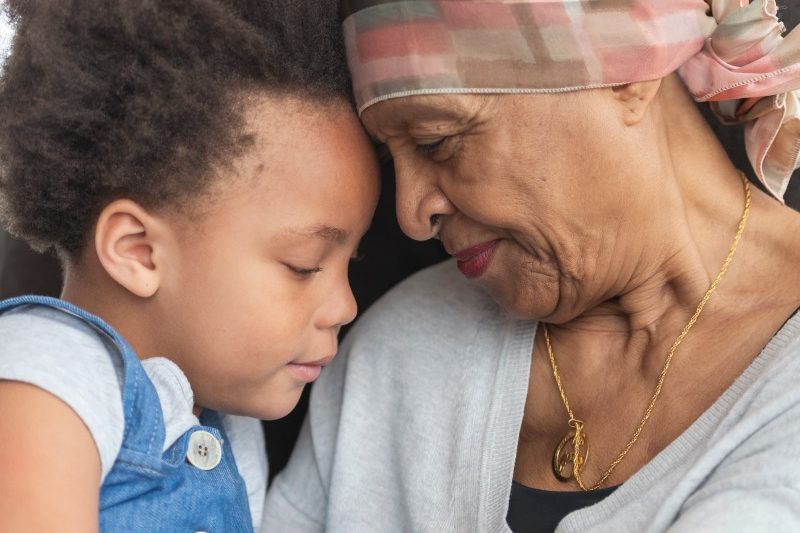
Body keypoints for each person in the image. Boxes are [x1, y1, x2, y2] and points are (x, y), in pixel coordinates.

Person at [264, 1, 800, 531]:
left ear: (626, 78)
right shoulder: (397, 353)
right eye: (391, 156)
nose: (411, 214)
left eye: (436, 141)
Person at [0, 1, 378, 531]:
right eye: (305, 265)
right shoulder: (46, 380)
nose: (346, 306)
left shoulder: (223, 428)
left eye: (349, 264)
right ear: (139, 251)